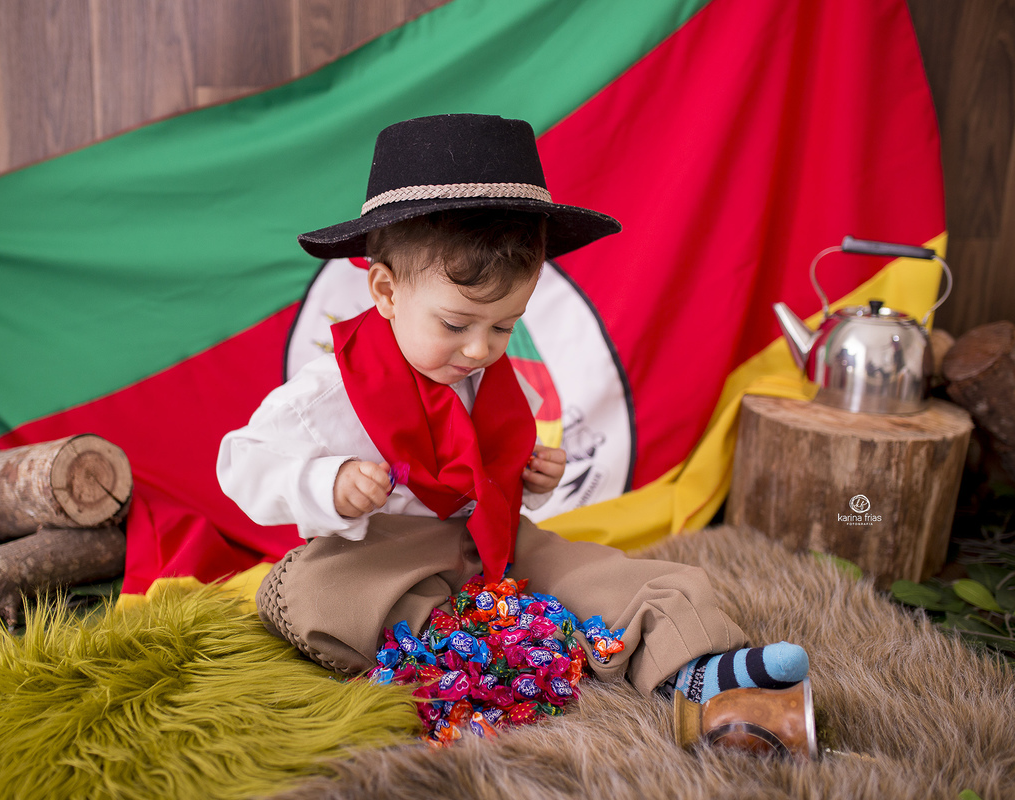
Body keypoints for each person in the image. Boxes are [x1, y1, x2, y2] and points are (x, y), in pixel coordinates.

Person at [216, 113, 806, 710]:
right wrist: (327, 483)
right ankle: (486, 651)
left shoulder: (488, 381)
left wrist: (529, 478)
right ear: (387, 293)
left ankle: (695, 663)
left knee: (612, 573)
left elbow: (490, 477)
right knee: (315, 593)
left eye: (505, 325)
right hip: (383, 553)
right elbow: (241, 463)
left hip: (489, 542)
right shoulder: (326, 393)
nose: (479, 350)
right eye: (455, 324)